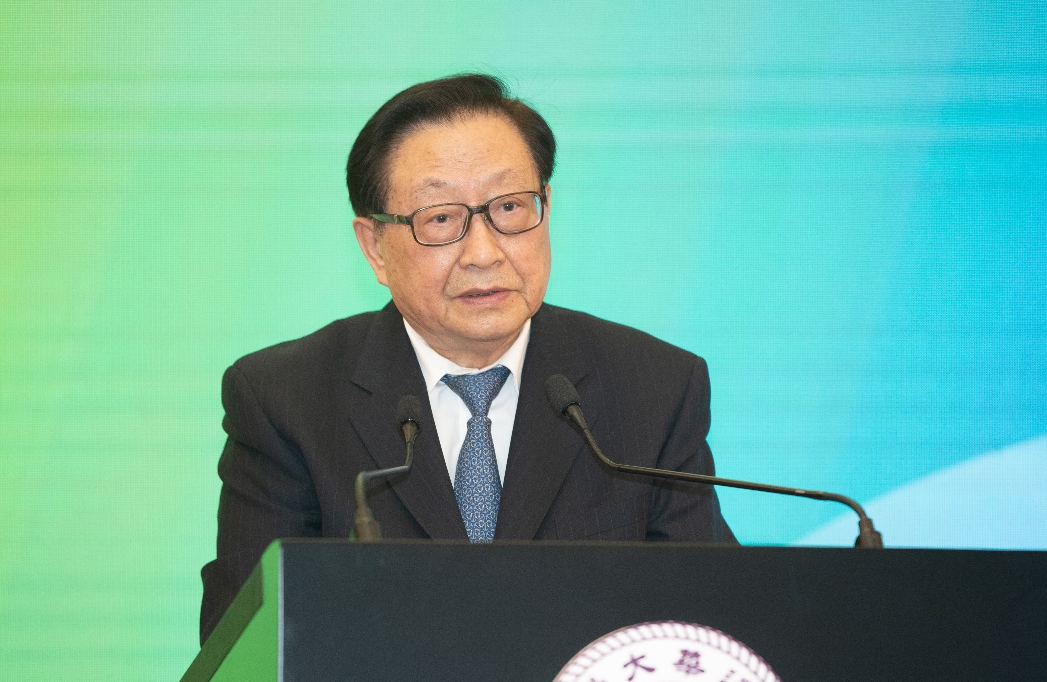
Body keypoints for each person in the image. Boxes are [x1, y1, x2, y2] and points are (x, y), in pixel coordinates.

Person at [199, 74, 736, 643]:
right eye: (440, 218)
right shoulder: (287, 403)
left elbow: (713, 630)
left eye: (510, 207)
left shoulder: (654, 388)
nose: (483, 252)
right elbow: (243, 655)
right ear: (374, 246)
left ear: (546, 206)